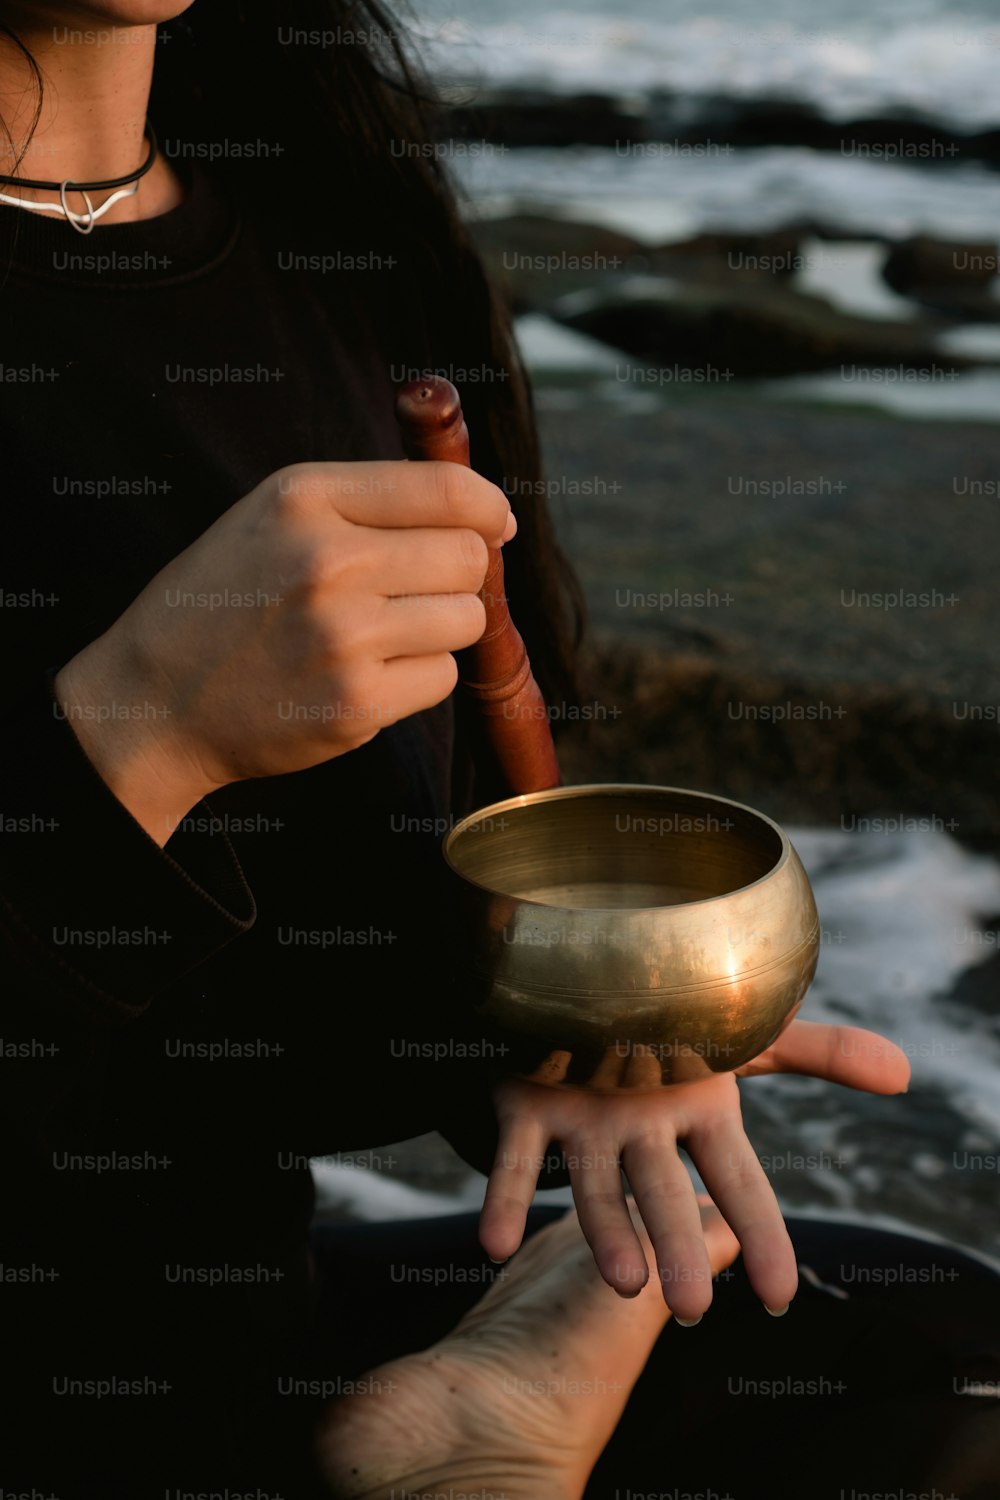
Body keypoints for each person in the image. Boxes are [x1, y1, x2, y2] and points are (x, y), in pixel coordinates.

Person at [3, 5, 993, 1497]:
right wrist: (131, 742)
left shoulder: (333, 222)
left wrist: (548, 1017)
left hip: (231, 1305)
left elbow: (251, 1021)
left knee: (946, 1359)